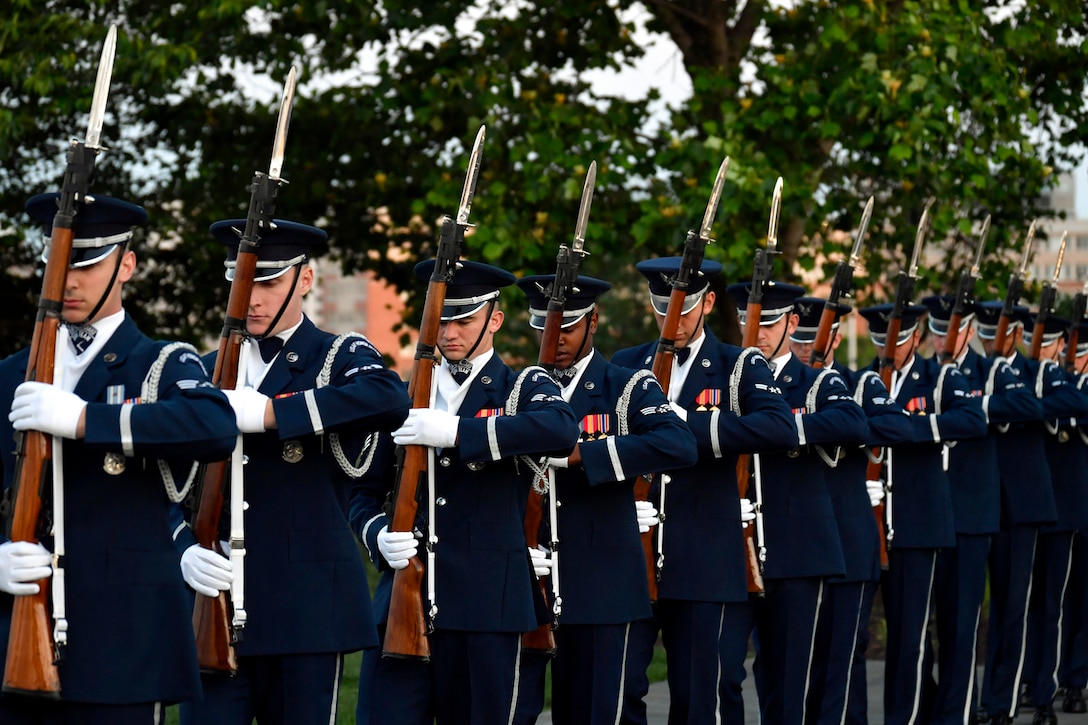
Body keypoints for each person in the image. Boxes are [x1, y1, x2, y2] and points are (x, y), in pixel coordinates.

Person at [0, 193, 237, 724]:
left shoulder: (159, 362)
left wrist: (86, 421)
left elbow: (215, 425)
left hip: (123, 645)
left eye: (87, 264)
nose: (69, 281)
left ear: (125, 264)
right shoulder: (10, 375)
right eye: (60, 263)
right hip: (14, 637)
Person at [174, 218, 411, 725]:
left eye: (269, 282)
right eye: (242, 283)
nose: (252, 298)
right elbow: (163, 481)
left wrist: (269, 414)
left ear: (304, 280)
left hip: (307, 608)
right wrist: (182, 547)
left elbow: (388, 396)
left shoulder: (337, 355)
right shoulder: (205, 367)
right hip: (216, 602)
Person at [351, 260, 579, 725]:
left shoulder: (523, 386)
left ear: (494, 320)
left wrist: (459, 431)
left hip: (487, 608)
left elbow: (561, 430)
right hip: (402, 603)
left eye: (464, 319)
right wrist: (376, 535)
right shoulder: (402, 395)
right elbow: (359, 491)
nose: (450, 332)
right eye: (442, 319)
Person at [611, 257, 794, 725]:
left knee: (704, 699)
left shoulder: (737, 364)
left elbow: (778, 427)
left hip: (706, 559)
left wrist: (683, 427)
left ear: (708, 302)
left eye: (684, 306)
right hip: (632, 556)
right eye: (661, 305)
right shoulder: (627, 364)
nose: (671, 316)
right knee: (620, 693)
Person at [515, 272, 697, 724]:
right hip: (528, 584)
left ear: (592, 322)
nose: (552, 338)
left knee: (604, 713)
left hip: (603, 585)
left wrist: (584, 455)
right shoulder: (516, 390)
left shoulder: (626, 385)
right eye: (542, 327)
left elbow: (679, 444)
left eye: (567, 327)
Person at [724, 281, 868, 725]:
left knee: (788, 680)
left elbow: (853, 422)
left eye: (768, 323)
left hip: (795, 548)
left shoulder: (815, 381)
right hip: (730, 546)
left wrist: (786, 431)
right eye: (750, 322)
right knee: (723, 673)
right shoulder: (726, 377)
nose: (758, 332)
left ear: (791, 322)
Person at [856, 302, 987, 725]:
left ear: (916, 337)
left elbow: (972, 420)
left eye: (895, 339)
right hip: (870, 525)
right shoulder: (861, 381)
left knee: (911, 636)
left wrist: (918, 429)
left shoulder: (939, 377)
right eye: (879, 340)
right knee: (862, 638)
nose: (887, 349)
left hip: (917, 524)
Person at [789, 297, 913, 725]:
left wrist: (847, 426)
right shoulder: (778, 388)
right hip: (797, 547)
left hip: (848, 542)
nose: (807, 349)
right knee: (799, 668)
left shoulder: (858, 385)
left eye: (814, 340)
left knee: (842, 664)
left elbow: (899, 426)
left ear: (837, 338)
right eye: (799, 339)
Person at [920, 295, 1040, 725]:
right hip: (928, 511)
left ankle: (961, 711)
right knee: (929, 625)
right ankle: (942, 704)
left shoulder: (988, 371)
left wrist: (976, 405)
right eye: (935, 330)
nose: (941, 338)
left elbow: (1030, 405)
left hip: (971, 512)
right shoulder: (924, 374)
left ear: (969, 331)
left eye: (948, 329)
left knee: (963, 622)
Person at [970, 302, 1059, 725]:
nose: (991, 340)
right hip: (981, 501)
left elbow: (1034, 407)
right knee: (978, 610)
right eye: (985, 332)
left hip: (1021, 504)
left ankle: (1003, 702)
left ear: (1017, 332)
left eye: (998, 332)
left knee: (1012, 608)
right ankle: (980, 699)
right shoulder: (967, 370)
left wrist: (984, 403)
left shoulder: (1031, 370)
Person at [1021, 316, 1088, 725]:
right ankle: (1035, 676)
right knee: (1041, 600)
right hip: (1044, 503)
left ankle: (1075, 678)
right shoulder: (1045, 382)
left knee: (1078, 599)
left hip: (1078, 505)